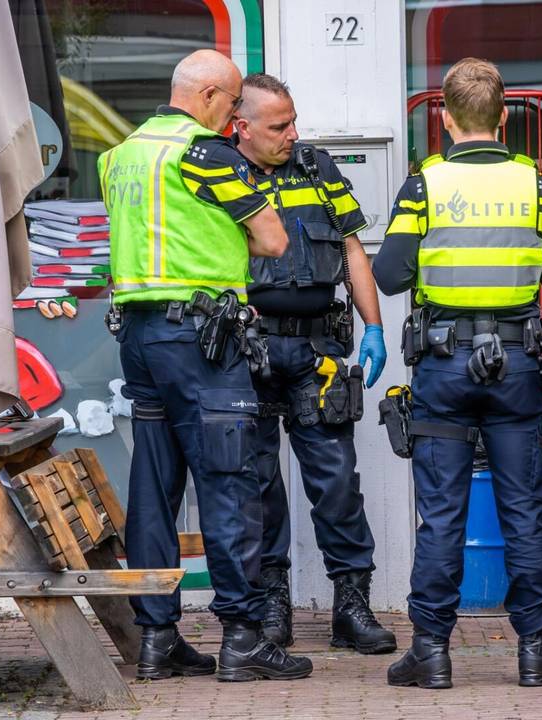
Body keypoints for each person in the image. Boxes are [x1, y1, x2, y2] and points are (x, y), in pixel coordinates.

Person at [372, 57, 542, 689]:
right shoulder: (539, 187)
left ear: (443, 116)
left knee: (441, 514)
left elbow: (388, 276)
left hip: (443, 366)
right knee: (525, 510)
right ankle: (536, 652)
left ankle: (431, 653)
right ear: (502, 117)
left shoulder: (424, 186)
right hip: (518, 365)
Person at [98, 49, 311, 683]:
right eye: (232, 103)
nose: (233, 116)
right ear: (213, 96)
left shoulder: (120, 156)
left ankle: (157, 639)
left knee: (154, 491)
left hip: (139, 335)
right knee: (229, 482)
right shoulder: (205, 153)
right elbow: (272, 239)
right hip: (202, 339)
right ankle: (243, 637)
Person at [230, 72, 395, 654]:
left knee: (335, 484)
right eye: (279, 126)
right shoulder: (219, 173)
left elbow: (353, 249)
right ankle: (272, 608)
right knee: (256, 487)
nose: (292, 133)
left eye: (293, 121)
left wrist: (375, 327)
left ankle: (351, 606)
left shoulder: (318, 170)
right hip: (245, 351)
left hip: (316, 354)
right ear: (241, 126)